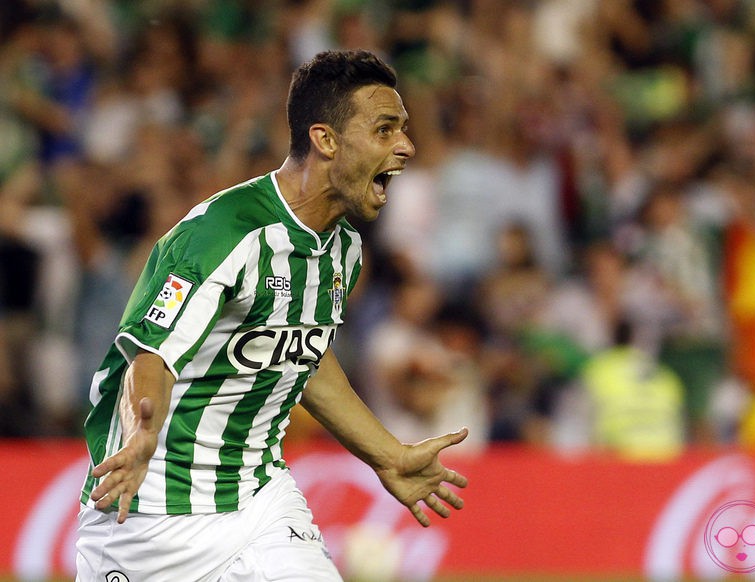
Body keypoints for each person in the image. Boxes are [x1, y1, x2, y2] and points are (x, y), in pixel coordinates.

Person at [75, 49, 469, 582]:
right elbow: (152, 352)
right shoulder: (223, 233)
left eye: (403, 130)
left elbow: (299, 353)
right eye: (385, 130)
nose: (406, 147)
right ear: (325, 139)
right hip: (149, 513)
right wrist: (142, 431)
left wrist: (387, 456)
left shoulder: (345, 251)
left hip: (260, 501)